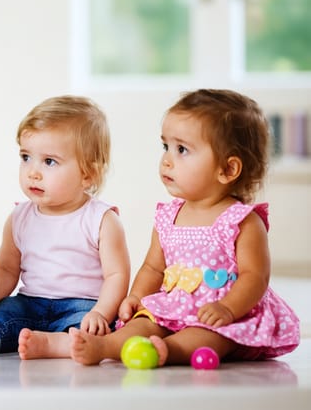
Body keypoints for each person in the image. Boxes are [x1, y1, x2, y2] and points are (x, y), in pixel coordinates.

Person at [71, 89, 301, 367]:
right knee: (142, 324)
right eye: (165, 146)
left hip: (216, 314)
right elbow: (153, 268)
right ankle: (106, 346)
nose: (167, 159)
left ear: (228, 170)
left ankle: (166, 351)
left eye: (182, 150)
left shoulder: (241, 220)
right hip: (172, 306)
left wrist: (227, 308)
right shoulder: (168, 216)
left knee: (205, 336)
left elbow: (255, 277)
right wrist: (136, 296)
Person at [0, 95, 130, 357]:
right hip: (29, 303)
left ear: (88, 174)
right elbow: (6, 270)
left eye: (49, 161)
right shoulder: (20, 217)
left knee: (88, 328)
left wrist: (100, 312)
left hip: (81, 305)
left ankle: (56, 344)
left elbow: (116, 276)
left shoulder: (101, 219)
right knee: (3, 313)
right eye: (26, 157)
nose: (33, 172)